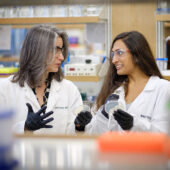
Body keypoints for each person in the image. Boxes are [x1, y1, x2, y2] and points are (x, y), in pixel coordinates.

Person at [79, 31, 170, 134]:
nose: (114, 60)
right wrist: (103, 117)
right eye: (113, 54)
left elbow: (165, 135)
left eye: (119, 53)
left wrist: (134, 124)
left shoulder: (164, 89)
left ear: (137, 54)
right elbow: (95, 135)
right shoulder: (114, 91)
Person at [0, 25, 83, 134]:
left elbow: (76, 136)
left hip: (58, 151)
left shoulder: (69, 89)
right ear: (36, 50)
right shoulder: (4, 89)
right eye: (56, 50)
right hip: (18, 151)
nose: (62, 57)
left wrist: (79, 125)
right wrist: (25, 128)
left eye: (61, 50)